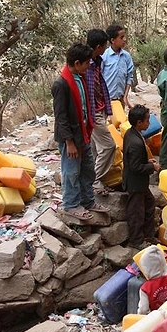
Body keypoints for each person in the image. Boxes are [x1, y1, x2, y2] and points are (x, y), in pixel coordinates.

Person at [52, 42, 110, 220]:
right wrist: (69, 142)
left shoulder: (81, 78)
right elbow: (61, 116)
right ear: (77, 63)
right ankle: (70, 204)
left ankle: (88, 200)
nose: (88, 66)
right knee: (71, 172)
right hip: (71, 137)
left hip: (83, 133)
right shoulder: (61, 85)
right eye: (86, 63)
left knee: (87, 169)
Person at [122, 104, 161, 250]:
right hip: (135, 183)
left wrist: (146, 161)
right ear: (139, 122)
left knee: (149, 204)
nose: (149, 123)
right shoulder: (136, 142)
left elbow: (135, 161)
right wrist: (152, 167)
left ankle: (148, 235)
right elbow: (135, 167)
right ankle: (136, 240)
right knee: (136, 213)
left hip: (140, 183)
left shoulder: (131, 134)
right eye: (147, 120)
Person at [85, 28, 116, 197]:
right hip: (93, 112)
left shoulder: (96, 61)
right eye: (104, 46)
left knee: (96, 148)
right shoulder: (86, 65)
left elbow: (100, 86)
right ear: (98, 46)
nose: (105, 49)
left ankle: (95, 180)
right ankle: (95, 180)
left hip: (100, 108)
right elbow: (88, 92)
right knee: (108, 146)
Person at [137, 245, 167, 314]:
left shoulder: (145, 289)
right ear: (164, 263)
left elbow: (143, 310)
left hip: (159, 320)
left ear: (146, 268)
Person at [102, 23, 134, 111]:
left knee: (120, 122)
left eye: (124, 37)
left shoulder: (126, 56)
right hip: (106, 99)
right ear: (112, 40)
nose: (125, 39)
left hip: (120, 99)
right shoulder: (104, 56)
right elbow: (99, 76)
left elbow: (129, 77)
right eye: (121, 37)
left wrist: (125, 96)